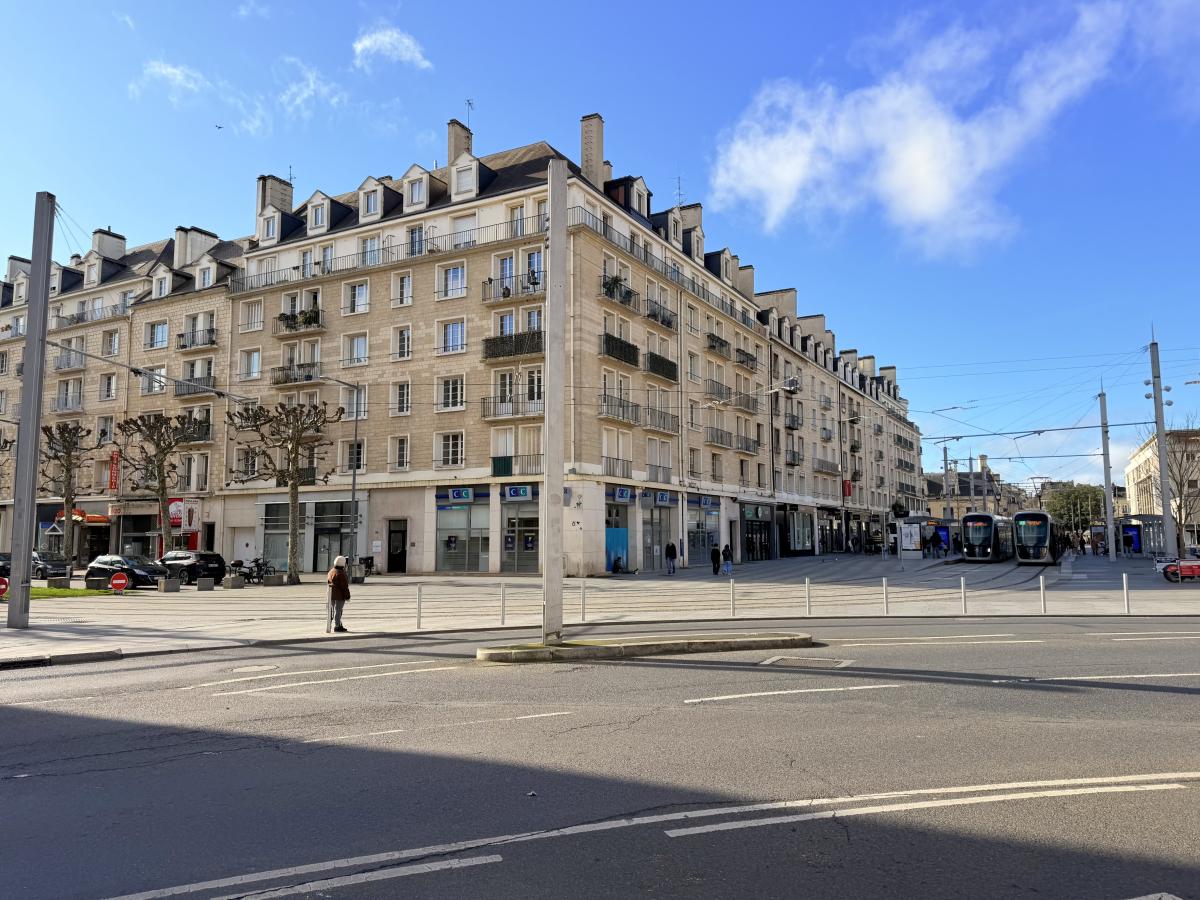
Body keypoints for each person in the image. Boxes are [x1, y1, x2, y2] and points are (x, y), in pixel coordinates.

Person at [326, 555, 350, 632]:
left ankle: (330, 624)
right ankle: (337, 626)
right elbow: (344, 586)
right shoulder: (341, 573)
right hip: (340, 595)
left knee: (331, 610)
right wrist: (347, 596)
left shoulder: (331, 571)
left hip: (330, 594)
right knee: (338, 610)